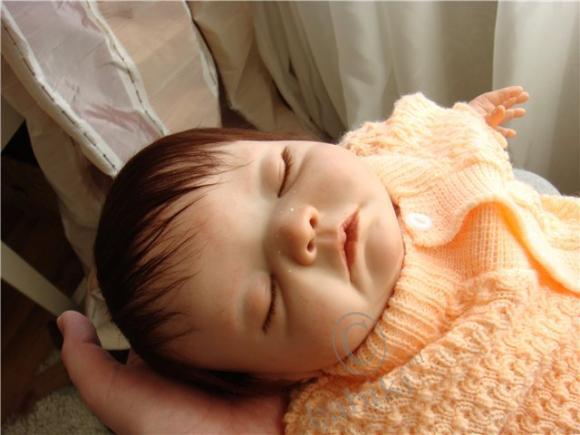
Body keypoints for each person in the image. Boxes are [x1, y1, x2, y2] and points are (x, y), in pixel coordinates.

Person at [60, 86, 580, 433]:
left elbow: (427, 132)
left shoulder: (376, 154)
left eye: (283, 173)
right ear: (277, 378)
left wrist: (468, 120)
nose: (297, 229)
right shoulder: (366, 406)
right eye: (269, 297)